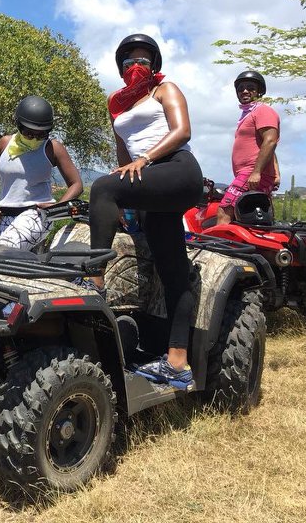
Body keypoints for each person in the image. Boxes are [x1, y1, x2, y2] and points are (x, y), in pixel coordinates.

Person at [87, 33, 203, 391]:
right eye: (128, 61)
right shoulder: (117, 104)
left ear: (154, 64)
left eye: (143, 60)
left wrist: (145, 159)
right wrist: (125, 200)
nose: (135, 66)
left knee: (102, 186)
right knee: (173, 272)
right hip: (147, 180)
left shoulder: (164, 90)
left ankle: (93, 281)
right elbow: (122, 156)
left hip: (175, 169)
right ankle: (178, 363)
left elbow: (183, 131)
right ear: (120, 66)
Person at [0, 95, 84, 250]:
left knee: (4, 251)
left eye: (42, 134)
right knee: (13, 267)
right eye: (29, 133)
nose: (35, 138)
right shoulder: (4, 144)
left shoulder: (52, 148)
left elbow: (76, 184)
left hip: (37, 215)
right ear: (19, 126)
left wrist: (56, 208)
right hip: (6, 217)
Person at [215, 70, 280, 226]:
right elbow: (268, 144)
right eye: (240, 88)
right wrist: (276, 173)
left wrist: (256, 172)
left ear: (260, 91)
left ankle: (217, 250)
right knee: (249, 216)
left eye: (250, 87)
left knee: (225, 211)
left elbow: (270, 141)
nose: (244, 91)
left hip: (251, 173)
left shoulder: (263, 110)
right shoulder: (248, 113)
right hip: (251, 174)